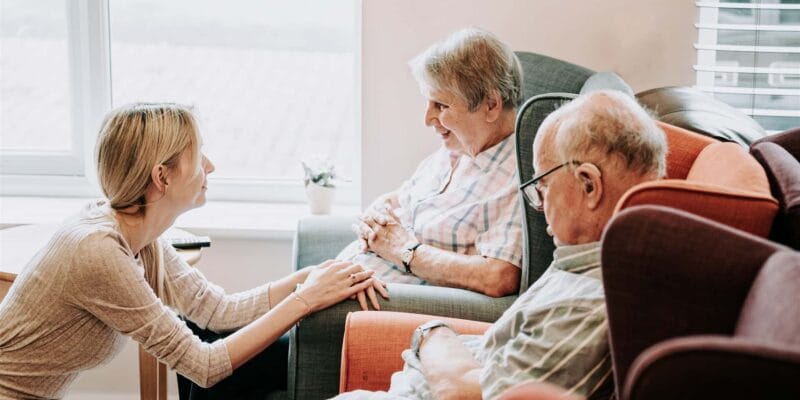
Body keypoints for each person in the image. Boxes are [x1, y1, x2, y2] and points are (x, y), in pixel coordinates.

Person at [0, 103, 386, 399]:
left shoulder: (140, 233)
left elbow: (218, 311)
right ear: (162, 177)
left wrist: (311, 276)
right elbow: (203, 365)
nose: (211, 166)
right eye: (199, 156)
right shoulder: (98, 251)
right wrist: (305, 300)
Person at [335, 90, 668, 400]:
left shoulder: (591, 301)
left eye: (544, 185)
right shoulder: (582, 258)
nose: (539, 204)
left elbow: (464, 393)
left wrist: (431, 333)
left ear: (588, 184)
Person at [343, 27, 524, 298]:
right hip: (351, 273)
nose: (427, 119)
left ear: (491, 105)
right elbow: (402, 199)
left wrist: (404, 251)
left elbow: (499, 276)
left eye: (441, 105)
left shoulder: (518, 176)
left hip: (390, 303)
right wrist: (377, 213)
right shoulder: (455, 150)